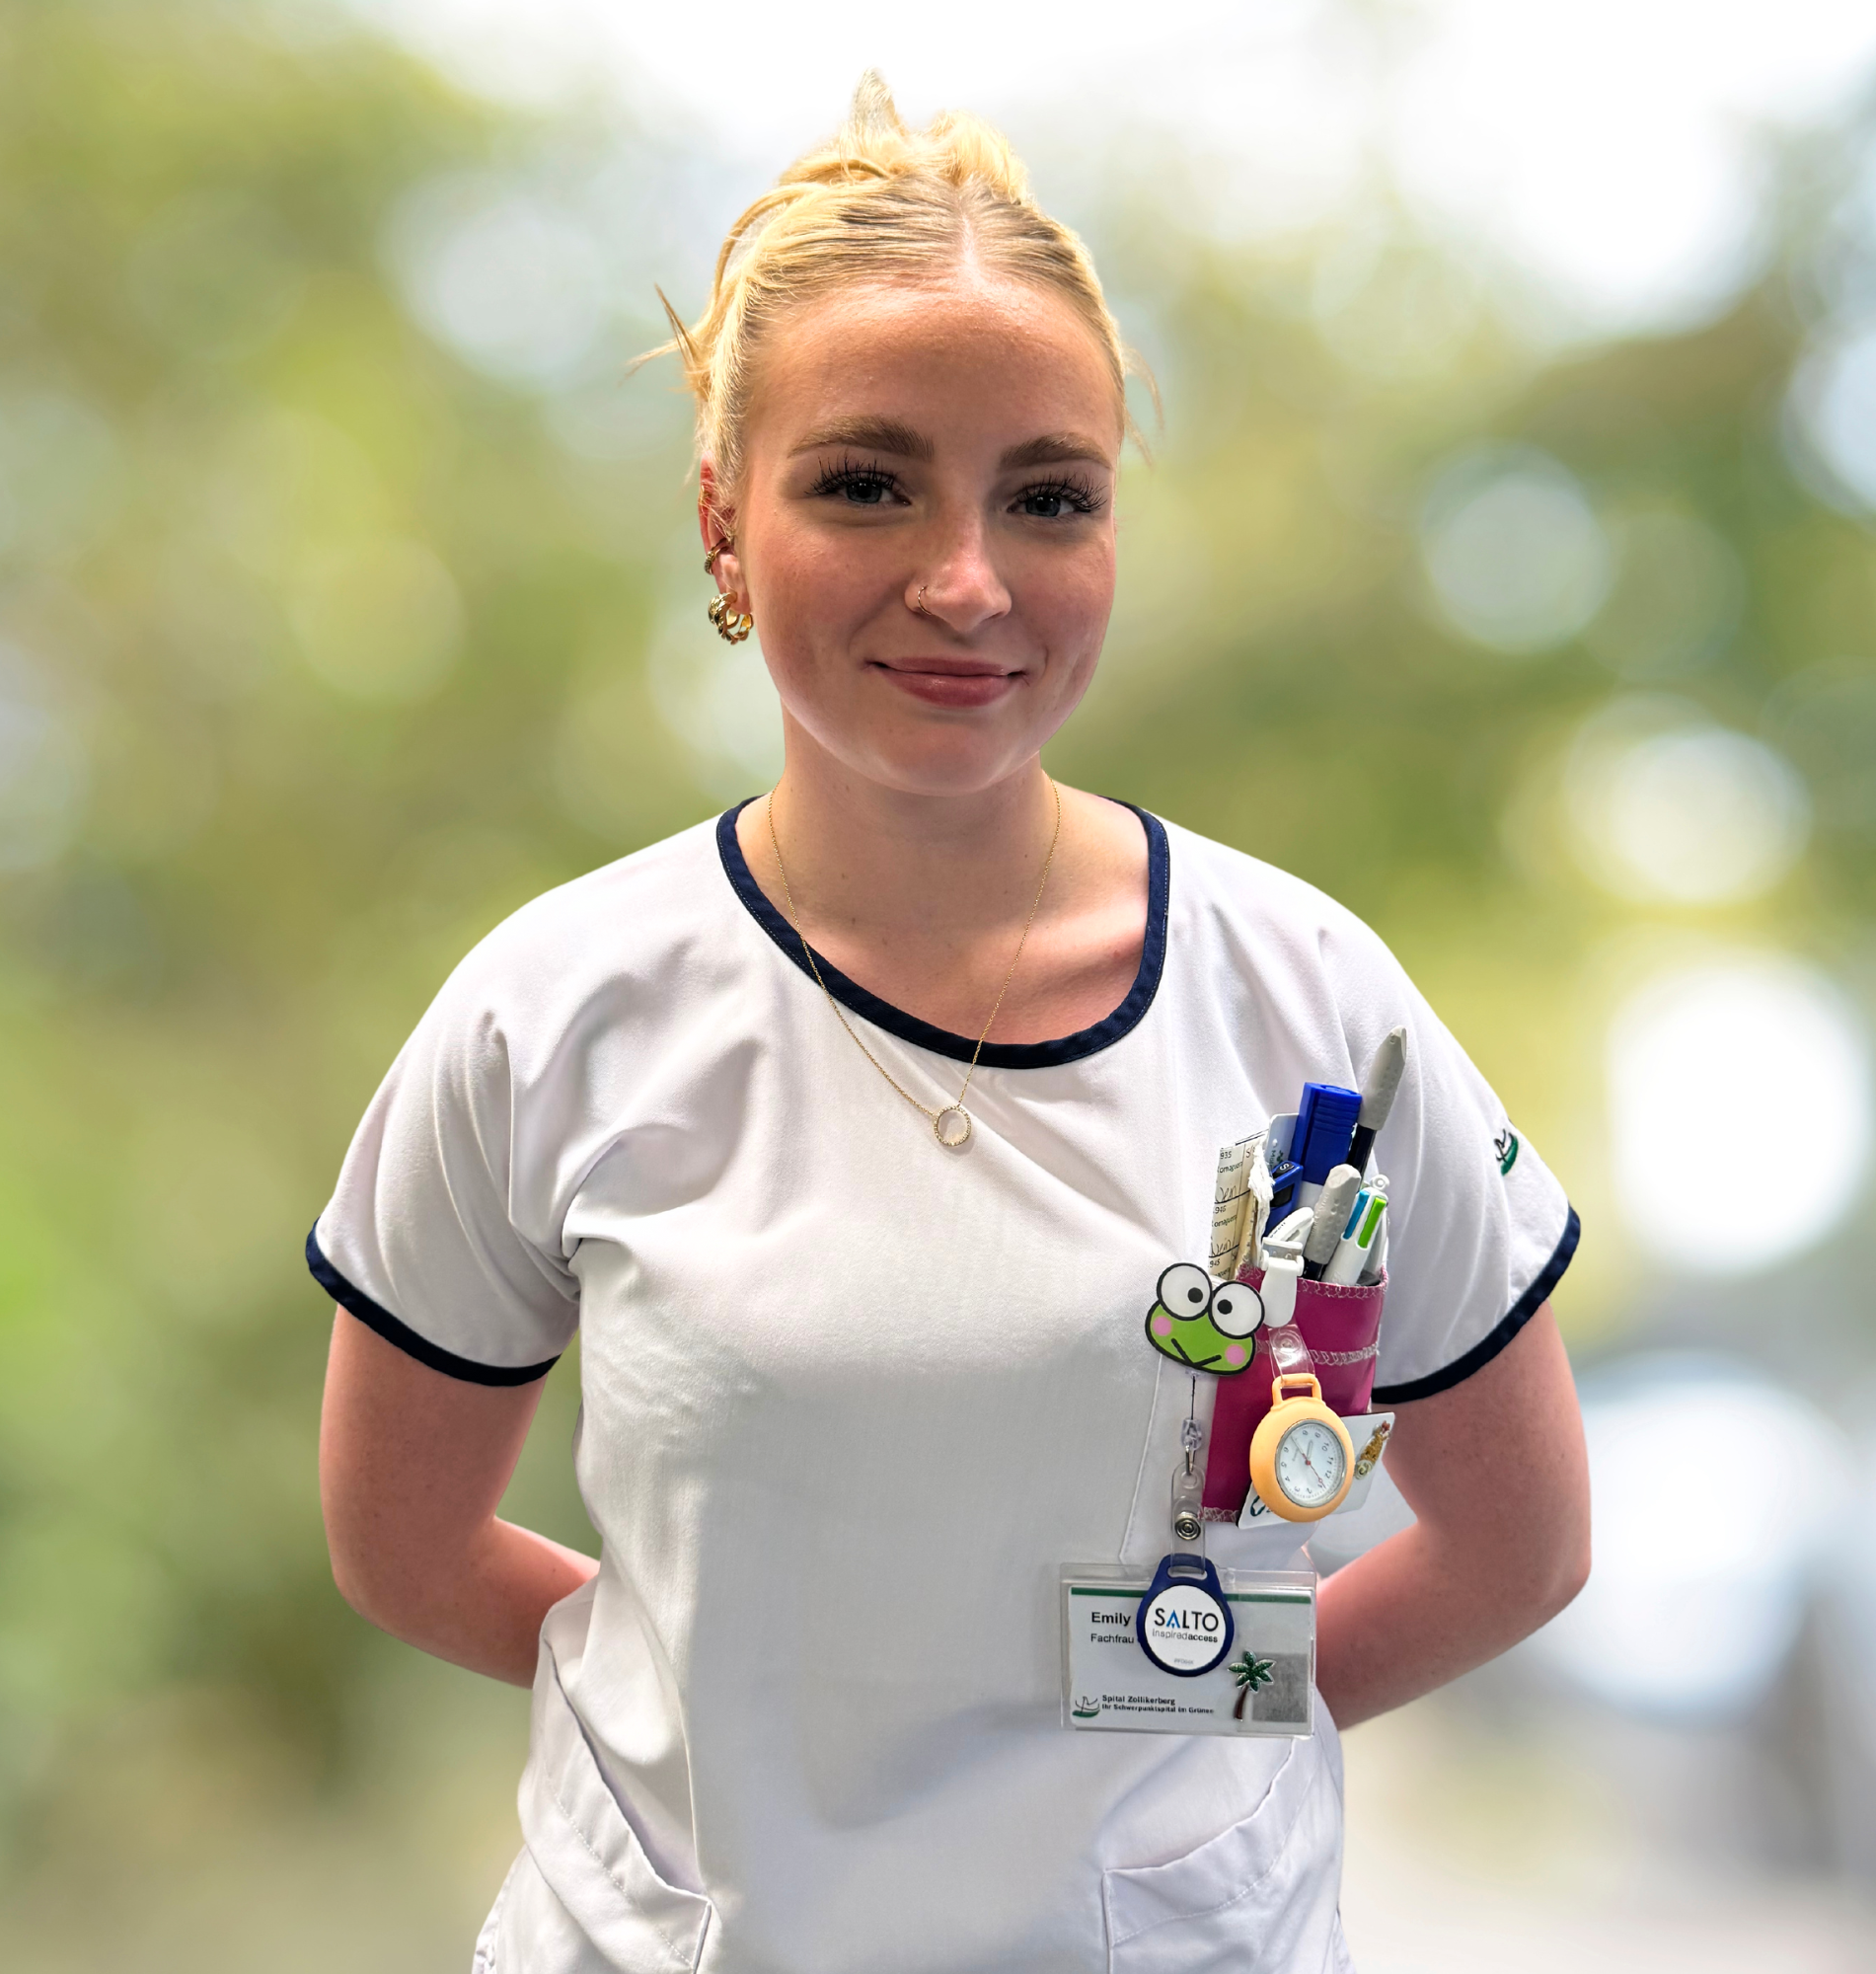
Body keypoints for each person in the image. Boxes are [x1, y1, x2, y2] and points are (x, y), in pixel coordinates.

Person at [313, 75, 1591, 1974]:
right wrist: (737, 1717)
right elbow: (402, 1548)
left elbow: (1517, 1548)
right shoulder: (551, 1014)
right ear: (724, 526)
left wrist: (1187, 1731)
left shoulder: (1319, 1012)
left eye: (1049, 497)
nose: (968, 578)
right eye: (865, 481)